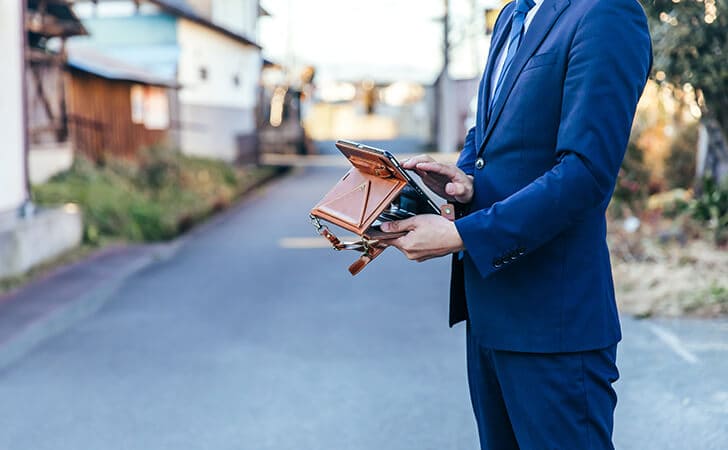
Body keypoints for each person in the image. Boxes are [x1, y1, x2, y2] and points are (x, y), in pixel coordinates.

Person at [379, 0, 652, 448]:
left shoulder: (607, 12)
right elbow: (487, 136)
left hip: (555, 326)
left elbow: (585, 174)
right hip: (489, 315)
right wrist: (464, 179)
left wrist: (462, 234)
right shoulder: (511, 16)